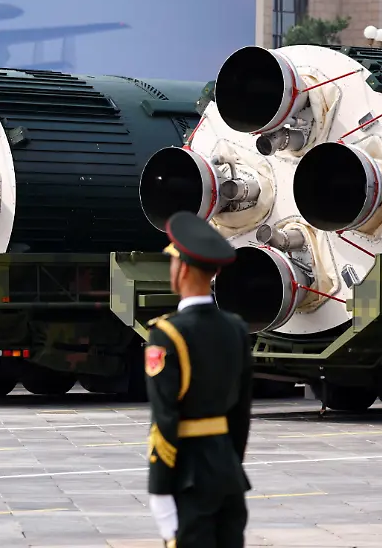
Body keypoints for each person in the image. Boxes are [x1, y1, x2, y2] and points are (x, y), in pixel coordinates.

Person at [144, 210, 253, 548]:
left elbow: (164, 419)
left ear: (184, 269)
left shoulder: (167, 334)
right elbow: (241, 414)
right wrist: (229, 462)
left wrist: (160, 490)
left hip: (189, 478)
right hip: (228, 475)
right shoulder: (235, 328)